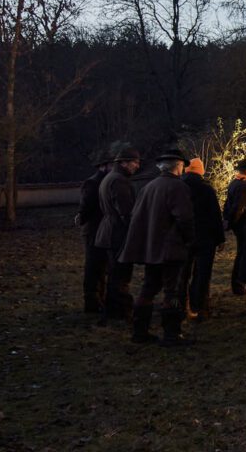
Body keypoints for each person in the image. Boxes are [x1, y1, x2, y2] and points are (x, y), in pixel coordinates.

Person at [117, 148, 195, 345]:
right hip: (171, 248)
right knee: (172, 290)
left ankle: (140, 331)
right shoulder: (177, 187)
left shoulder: (148, 186)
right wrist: (189, 239)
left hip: (152, 248)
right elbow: (184, 218)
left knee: (149, 288)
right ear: (178, 166)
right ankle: (172, 333)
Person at [95, 146, 141, 326]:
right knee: (121, 275)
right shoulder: (119, 181)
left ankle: (113, 311)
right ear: (123, 163)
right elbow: (126, 212)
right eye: (134, 163)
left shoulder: (109, 178)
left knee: (115, 274)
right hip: (117, 234)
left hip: (108, 231)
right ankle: (122, 312)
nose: (137, 166)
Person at [180, 157, 224, 321]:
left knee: (182, 273)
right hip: (205, 238)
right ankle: (200, 306)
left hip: (183, 237)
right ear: (200, 171)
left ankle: (181, 305)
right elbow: (215, 216)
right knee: (202, 273)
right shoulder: (206, 190)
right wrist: (220, 238)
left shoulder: (179, 187)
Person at [75, 153, 111, 315]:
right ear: (103, 166)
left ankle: (97, 300)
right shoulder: (93, 183)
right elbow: (85, 208)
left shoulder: (97, 181)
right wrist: (82, 218)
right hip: (93, 229)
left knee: (98, 266)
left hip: (97, 228)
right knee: (94, 267)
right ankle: (93, 302)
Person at [223, 158, 246, 297]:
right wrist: (235, 223)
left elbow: (229, 206)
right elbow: (239, 208)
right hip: (245, 226)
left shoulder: (235, 183)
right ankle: (239, 285)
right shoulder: (244, 186)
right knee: (243, 255)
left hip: (241, 226)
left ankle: (243, 284)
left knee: (243, 254)